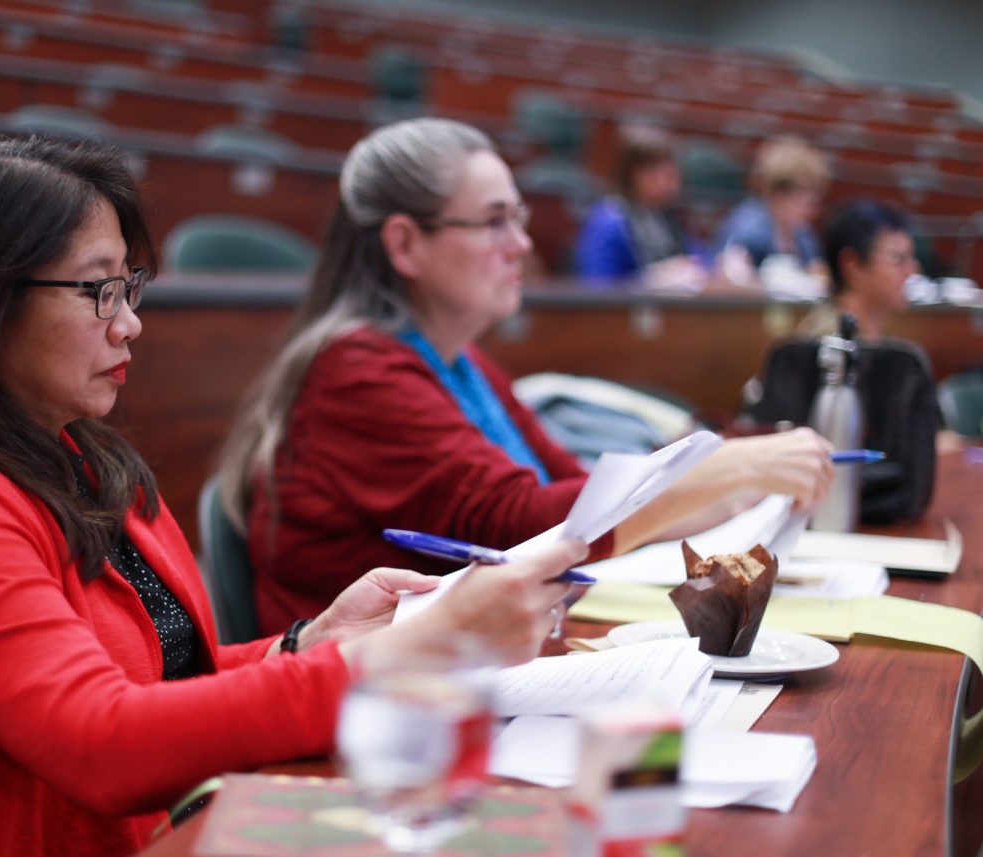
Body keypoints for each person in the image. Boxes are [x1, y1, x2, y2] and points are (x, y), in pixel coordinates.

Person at [0, 135, 592, 857]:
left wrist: (308, 642)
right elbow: (103, 741)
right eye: (97, 291)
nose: (130, 325)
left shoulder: (80, 458)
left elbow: (163, 683)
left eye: (129, 286)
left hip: (195, 822)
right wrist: (397, 655)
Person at [219, 117, 834, 636]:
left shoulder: (462, 360)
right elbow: (519, 525)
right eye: (494, 222)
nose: (521, 244)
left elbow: (573, 485)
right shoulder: (354, 373)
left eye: (518, 217)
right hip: (360, 720)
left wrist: (730, 492)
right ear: (405, 245)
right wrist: (729, 465)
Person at [573, 123, 707, 289]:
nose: (668, 175)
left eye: (670, 165)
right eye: (653, 167)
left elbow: (698, 263)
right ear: (629, 173)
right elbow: (595, 288)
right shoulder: (608, 221)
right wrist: (650, 281)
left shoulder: (670, 216)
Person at [796, 198, 919, 341]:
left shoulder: (868, 334)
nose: (912, 271)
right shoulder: (829, 344)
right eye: (898, 259)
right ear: (853, 266)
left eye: (911, 258)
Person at [711, 136, 829, 275]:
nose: (812, 210)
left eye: (815, 201)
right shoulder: (746, 228)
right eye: (807, 201)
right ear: (778, 194)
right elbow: (725, 277)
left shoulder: (803, 236)